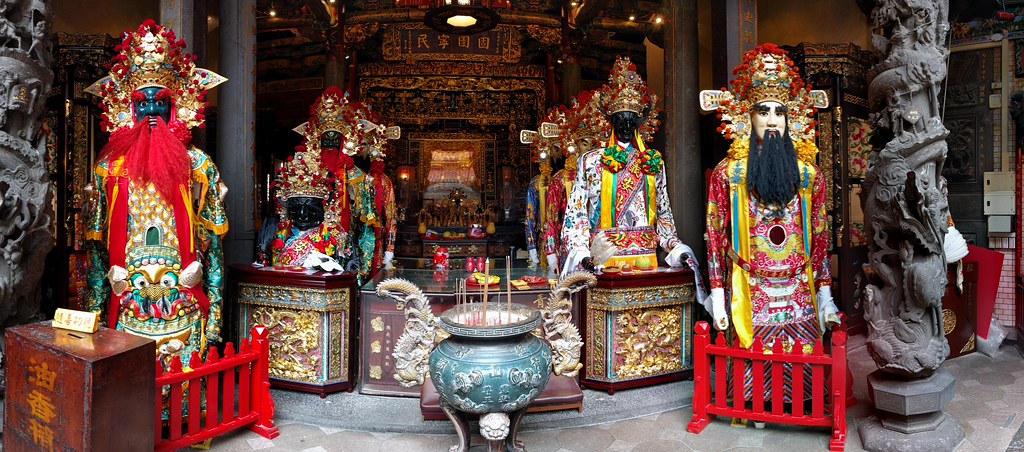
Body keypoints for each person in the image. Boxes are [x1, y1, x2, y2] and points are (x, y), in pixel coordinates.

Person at [83, 20, 228, 370]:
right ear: (128, 109)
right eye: (142, 103)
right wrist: (94, 311)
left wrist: (216, 316)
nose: (151, 112)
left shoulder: (198, 165)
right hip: (128, 295)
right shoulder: (109, 168)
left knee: (183, 378)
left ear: (176, 107)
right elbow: (97, 248)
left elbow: (214, 244)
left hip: (181, 293)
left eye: (160, 103)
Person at [701, 44, 839, 400]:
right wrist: (718, 295)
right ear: (747, 116)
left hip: (798, 284)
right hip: (750, 285)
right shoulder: (729, 174)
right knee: (753, 360)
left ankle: (802, 401)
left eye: (780, 111)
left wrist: (825, 295)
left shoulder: (809, 175)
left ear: (791, 118)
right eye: (763, 111)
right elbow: (715, 238)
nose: (773, 119)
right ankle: (753, 404)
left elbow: (820, 239)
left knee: (803, 363)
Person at [560, 56, 698, 275]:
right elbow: (576, 214)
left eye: (631, 120)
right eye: (620, 119)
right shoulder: (591, 161)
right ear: (611, 122)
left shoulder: (652, 162)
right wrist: (581, 252)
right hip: (602, 262)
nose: (626, 126)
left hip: (646, 261)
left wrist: (675, 246)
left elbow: (663, 212)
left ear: (639, 123)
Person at [542, 89, 607, 271]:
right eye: (584, 143)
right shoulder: (560, 179)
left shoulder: (607, 175)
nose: (589, 149)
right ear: (575, 145)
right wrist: (551, 253)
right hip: (570, 249)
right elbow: (551, 219)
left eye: (593, 144)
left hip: (602, 247)